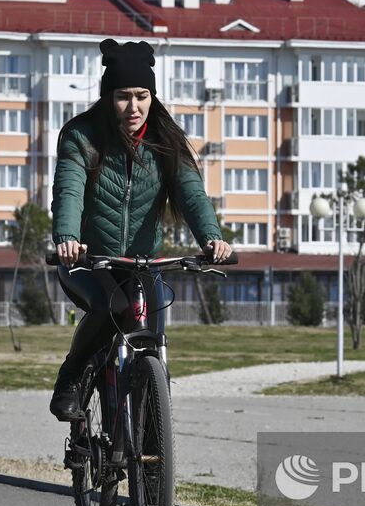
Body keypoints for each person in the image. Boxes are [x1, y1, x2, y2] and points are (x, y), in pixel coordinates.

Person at [49, 38, 233, 420]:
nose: (133, 107)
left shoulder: (166, 140)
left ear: (152, 96)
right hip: (88, 260)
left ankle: (152, 436)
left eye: (141, 96)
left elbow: (191, 194)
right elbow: (69, 190)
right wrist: (67, 238)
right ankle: (71, 377)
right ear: (108, 96)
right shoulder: (82, 136)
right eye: (123, 96)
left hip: (143, 264)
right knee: (110, 306)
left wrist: (212, 237)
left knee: (151, 330)